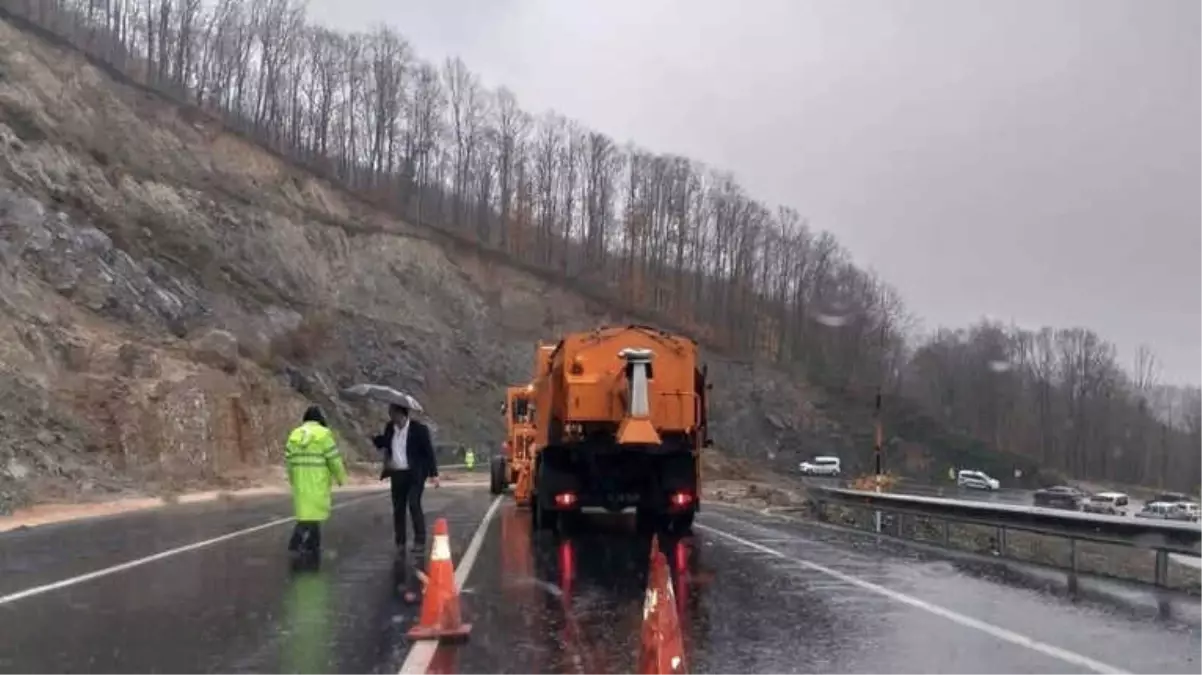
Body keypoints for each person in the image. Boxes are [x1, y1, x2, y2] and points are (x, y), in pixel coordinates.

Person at [374, 403, 440, 554]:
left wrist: (434, 474)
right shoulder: (390, 427)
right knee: (398, 508)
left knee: (413, 503)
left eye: (392, 413)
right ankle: (400, 541)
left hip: (415, 474)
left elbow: (429, 452)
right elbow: (385, 443)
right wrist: (375, 438)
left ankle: (419, 540)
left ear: (401, 413)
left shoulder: (419, 430)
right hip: (397, 473)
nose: (390, 416)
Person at [285, 406, 347, 560]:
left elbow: (289, 461)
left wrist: (293, 478)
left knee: (309, 514)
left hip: (300, 481)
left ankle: (314, 545)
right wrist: (340, 477)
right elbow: (333, 459)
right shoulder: (323, 435)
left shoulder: (294, 435)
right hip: (317, 480)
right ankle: (297, 542)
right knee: (312, 515)